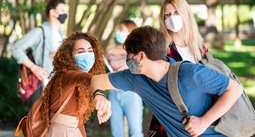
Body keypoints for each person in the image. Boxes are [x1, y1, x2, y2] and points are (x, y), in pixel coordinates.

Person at [91, 26, 243, 137]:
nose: (127, 60)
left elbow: (235, 89)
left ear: (141, 56)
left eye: (129, 55)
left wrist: (203, 122)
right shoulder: (135, 78)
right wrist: (99, 96)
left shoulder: (190, 73)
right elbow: (97, 80)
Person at [149, 0, 208, 136]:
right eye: (167, 15)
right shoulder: (161, 50)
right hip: (170, 120)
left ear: (185, 14)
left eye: (176, 13)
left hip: (200, 119)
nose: (172, 18)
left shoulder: (200, 48)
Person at [41, 32, 111, 137]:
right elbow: (92, 80)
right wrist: (99, 95)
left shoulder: (77, 81)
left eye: (90, 51)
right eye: (81, 51)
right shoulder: (68, 75)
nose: (87, 55)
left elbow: (78, 121)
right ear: (70, 55)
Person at [12, 0, 67, 105]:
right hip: (41, 86)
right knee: (39, 121)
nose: (65, 13)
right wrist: (34, 67)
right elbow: (16, 49)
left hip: (57, 86)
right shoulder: (40, 32)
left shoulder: (61, 34)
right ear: (52, 12)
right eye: (62, 10)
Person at [106, 20, 144, 137]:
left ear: (130, 33)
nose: (119, 32)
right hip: (113, 92)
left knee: (136, 131)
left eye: (122, 30)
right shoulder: (111, 52)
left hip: (131, 93)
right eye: (119, 29)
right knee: (116, 132)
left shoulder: (138, 52)